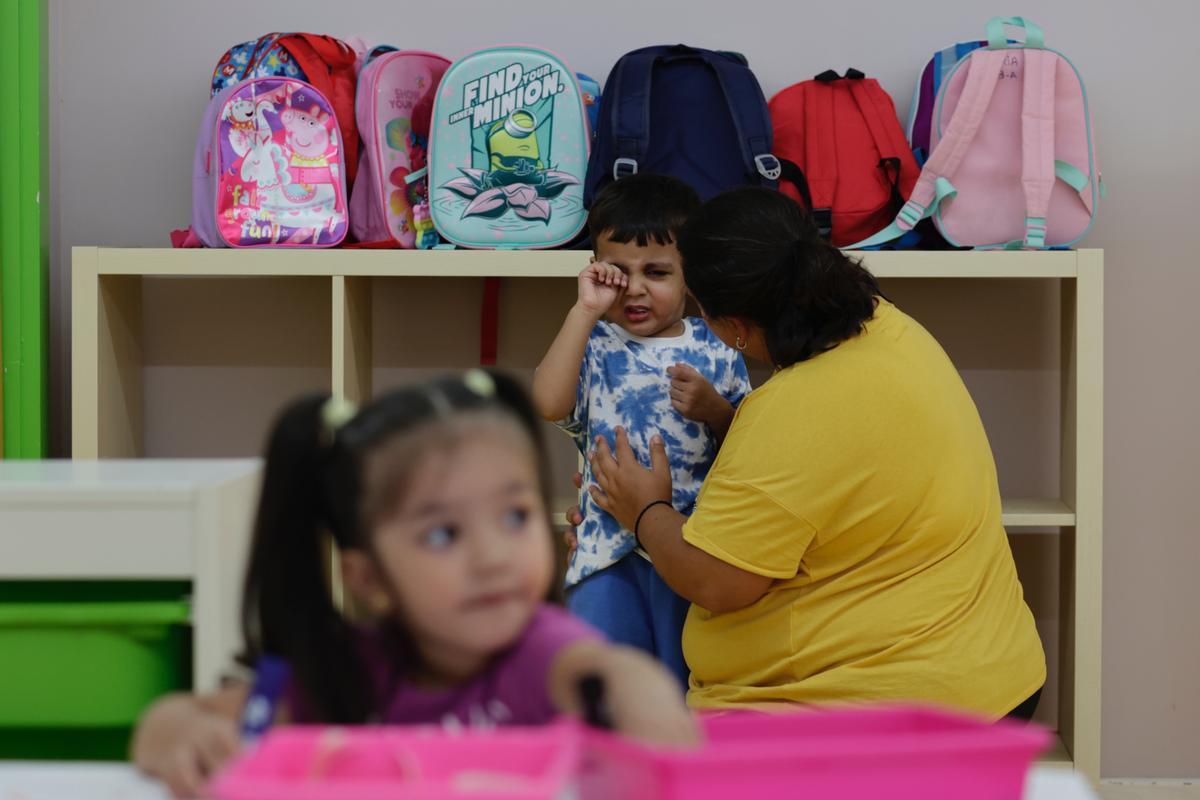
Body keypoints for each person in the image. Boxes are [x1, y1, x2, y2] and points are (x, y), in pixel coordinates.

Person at [584, 187, 1047, 720]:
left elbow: (716, 581)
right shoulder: (889, 327)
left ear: (733, 326)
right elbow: (821, 467)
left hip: (879, 705)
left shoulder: (792, 409)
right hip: (984, 670)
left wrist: (644, 510)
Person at [133, 370, 696, 798]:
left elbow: (609, 675)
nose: (492, 558)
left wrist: (638, 698)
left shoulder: (536, 652)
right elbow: (171, 719)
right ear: (368, 577)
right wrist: (180, 736)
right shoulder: (348, 673)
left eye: (515, 517)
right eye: (444, 534)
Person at [532, 174, 751, 687]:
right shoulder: (594, 341)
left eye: (657, 271)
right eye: (616, 272)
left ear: (689, 275)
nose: (634, 288)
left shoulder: (717, 346)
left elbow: (750, 444)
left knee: (682, 687)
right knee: (605, 692)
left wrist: (716, 411)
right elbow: (547, 402)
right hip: (603, 552)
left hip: (688, 549)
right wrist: (585, 311)